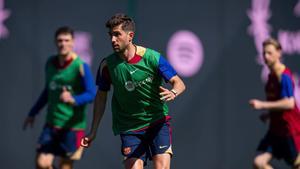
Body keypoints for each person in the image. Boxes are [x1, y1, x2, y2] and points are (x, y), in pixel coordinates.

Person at [81, 13, 186, 169]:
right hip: (129, 128)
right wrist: (93, 131)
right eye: (111, 35)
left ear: (130, 36)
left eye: (117, 34)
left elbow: (179, 83)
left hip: (157, 123)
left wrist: (173, 92)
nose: (112, 40)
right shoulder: (107, 65)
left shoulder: (152, 58)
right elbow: (101, 97)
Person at [23, 26, 96, 169]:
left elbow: (91, 94)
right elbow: (48, 91)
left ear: (73, 42)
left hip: (72, 128)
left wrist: (73, 99)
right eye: (60, 40)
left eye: (67, 40)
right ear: (56, 42)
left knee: (65, 166)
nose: (63, 43)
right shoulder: (50, 63)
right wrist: (33, 113)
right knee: (42, 163)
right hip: (52, 125)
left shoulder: (80, 66)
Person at [249, 38, 300, 169]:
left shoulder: (284, 76)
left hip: (289, 131)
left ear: (279, 53)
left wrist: (262, 105)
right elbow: (279, 104)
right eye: (264, 53)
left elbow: (289, 103)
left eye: (269, 53)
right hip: (276, 131)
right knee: (259, 163)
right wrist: (269, 114)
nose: (266, 56)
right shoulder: (271, 76)